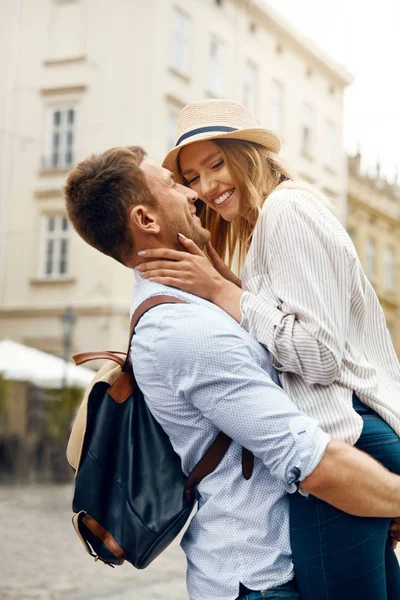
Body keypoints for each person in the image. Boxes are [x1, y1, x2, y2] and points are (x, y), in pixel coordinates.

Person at [64, 146, 400, 600]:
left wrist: (223, 282)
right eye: (172, 185)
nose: (191, 193)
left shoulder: (195, 303)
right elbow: (311, 461)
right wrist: (389, 495)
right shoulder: (182, 330)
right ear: (146, 220)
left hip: (293, 559)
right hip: (265, 580)